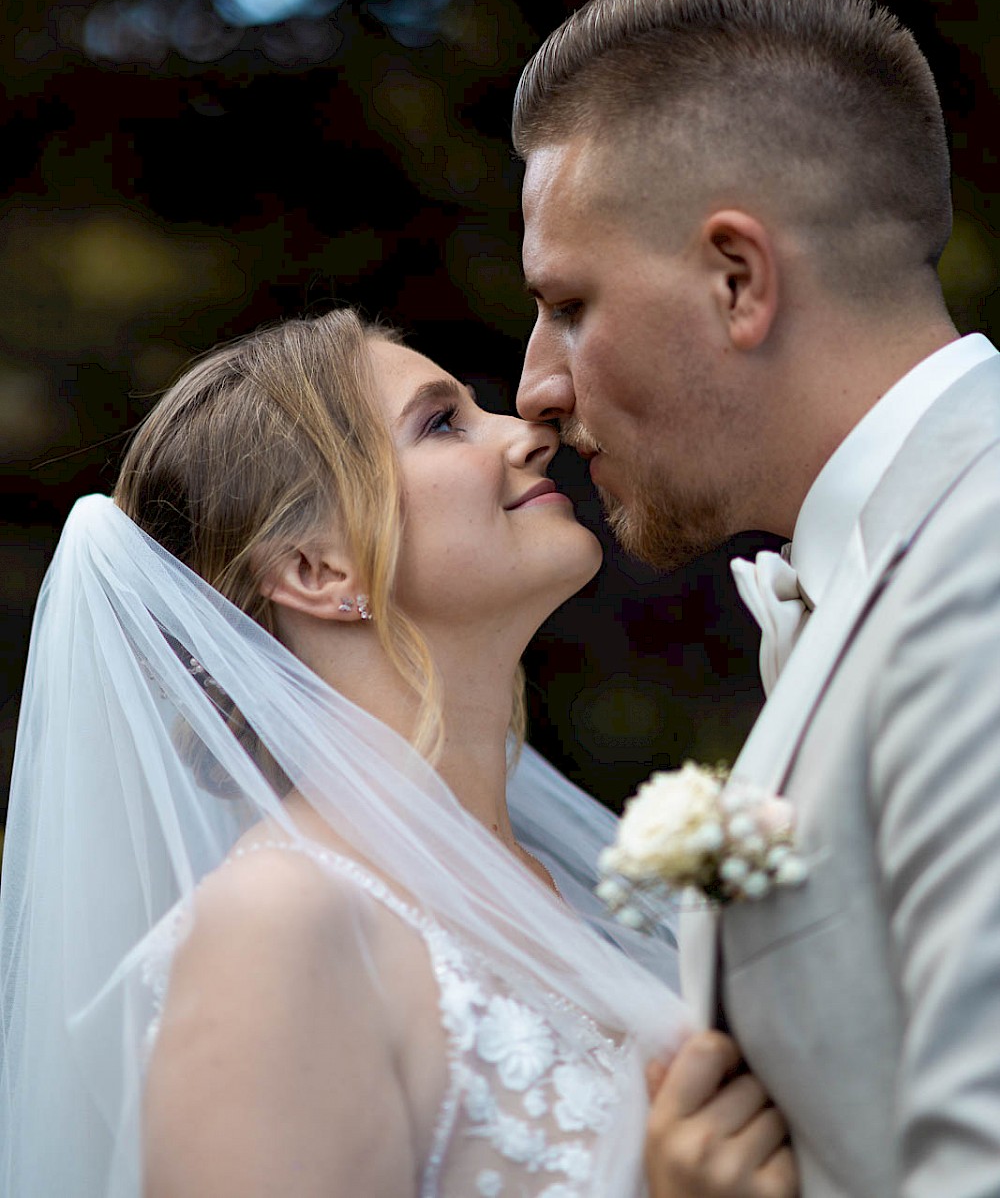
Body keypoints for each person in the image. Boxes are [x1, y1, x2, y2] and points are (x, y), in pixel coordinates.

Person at [0, 307, 795, 1198]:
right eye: (442, 422)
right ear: (315, 571)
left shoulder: (580, 888)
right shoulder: (282, 924)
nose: (526, 431)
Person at [514, 0, 1000, 1198]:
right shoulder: (896, 561)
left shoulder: (980, 559)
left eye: (569, 303)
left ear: (738, 280)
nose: (536, 388)